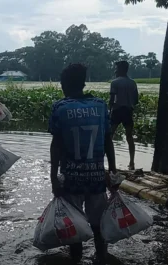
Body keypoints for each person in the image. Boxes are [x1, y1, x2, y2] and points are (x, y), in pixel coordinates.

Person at [49, 64, 117, 264]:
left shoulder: (60, 108)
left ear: (64, 85)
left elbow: (56, 146)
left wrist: (53, 177)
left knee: (74, 223)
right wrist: (112, 172)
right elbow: (108, 141)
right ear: (83, 83)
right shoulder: (100, 106)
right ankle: (101, 256)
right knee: (98, 225)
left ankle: (76, 257)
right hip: (96, 178)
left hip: (71, 179)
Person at [110, 61, 138, 170]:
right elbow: (136, 100)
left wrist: (109, 111)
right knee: (129, 137)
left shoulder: (115, 82)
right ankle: (131, 163)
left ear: (121, 69)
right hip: (128, 111)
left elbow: (112, 100)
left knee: (109, 136)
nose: (115, 70)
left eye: (116, 69)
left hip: (117, 111)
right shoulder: (133, 83)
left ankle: (105, 161)